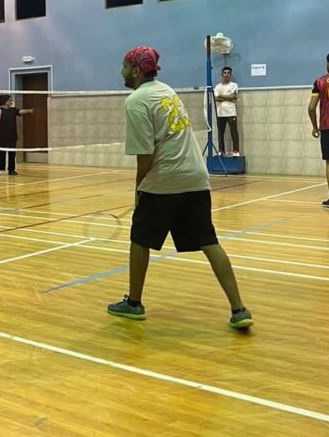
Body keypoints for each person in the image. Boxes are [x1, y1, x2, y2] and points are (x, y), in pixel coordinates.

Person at [107, 46, 253, 330]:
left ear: (136, 70)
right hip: (196, 176)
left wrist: (139, 189)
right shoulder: (166, 90)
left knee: (140, 238)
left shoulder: (136, 101)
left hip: (165, 178)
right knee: (209, 241)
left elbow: (145, 155)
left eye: (124, 66)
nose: (121, 71)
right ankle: (239, 309)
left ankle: (134, 304)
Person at [308, 49, 329, 209]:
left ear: (328, 64)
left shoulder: (319, 82)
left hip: (328, 127)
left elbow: (311, 108)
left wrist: (315, 127)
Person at [0, 94, 33, 177]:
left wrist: (28, 111)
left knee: (12, 153)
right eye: (9, 100)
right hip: (3, 136)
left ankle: (11, 170)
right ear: (5, 101)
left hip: (12, 135)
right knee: (1, 153)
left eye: (11, 100)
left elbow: (20, 111)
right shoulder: (0, 111)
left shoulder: (13, 110)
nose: (11, 101)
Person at [214, 66, 240, 156]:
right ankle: (221, 150)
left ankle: (236, 150)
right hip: (220, 113)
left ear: (230, 75)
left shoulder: (234, 85)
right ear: (222, 75)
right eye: (224, 73)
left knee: (234, 132)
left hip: (231, 112)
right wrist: (229, 98)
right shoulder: (218, 86)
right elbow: (216, 98)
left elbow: (233, 96)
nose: (226, 74)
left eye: (228, 73)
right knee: (220, 133)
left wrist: (221, 96)